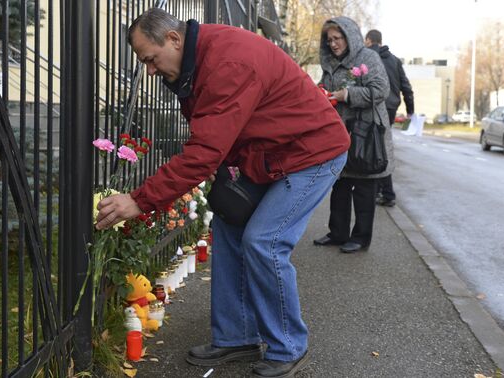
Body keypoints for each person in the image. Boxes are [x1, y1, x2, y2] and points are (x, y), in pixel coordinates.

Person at [95, 8, 350, 378]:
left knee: (265, 241)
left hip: (312, 152)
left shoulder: (228, 62)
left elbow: (204, 152)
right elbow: (217, 132)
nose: (149, 70)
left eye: (150, 59)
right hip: (271, 154)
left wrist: (139, 200)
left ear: (173, 39)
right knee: (230, 228)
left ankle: (288, 346)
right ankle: (236, 337)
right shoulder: (198, 62)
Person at [313, 17, 392, 253]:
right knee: (340, 184)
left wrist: (345, 94)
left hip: (365, 133)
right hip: (340, 133)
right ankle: (337, 233)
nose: (334, 44)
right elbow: (326, 85)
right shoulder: (330, 61)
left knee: (365, 186)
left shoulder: (368, 58)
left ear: (350, 37)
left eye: (337, 38)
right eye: (329, 40)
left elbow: (380, 90)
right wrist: (320, 91)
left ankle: (360, 237)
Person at [365, 29, 414, 207]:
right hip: (392, 107)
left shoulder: (368, 57)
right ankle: (382, 192)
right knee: (382, 147)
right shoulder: (394, 60)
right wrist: (410, 111)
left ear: (369, 40)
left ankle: (386, 193)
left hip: (375, 106)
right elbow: (406, 87)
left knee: (376, 149)